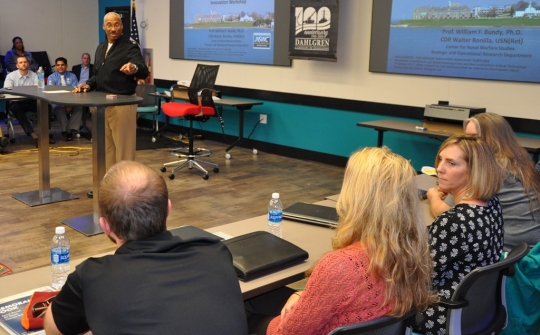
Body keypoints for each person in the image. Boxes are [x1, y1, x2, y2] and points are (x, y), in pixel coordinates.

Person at [246, 147, 437, 335]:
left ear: (358, 195)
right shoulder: (413, 251)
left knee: (237, 310)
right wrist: (300, 294)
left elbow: (288, 333)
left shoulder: (341, 266)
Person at [43, 160, 248, 335]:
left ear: (105, 226)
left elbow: (52, 329)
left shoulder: (90, 276)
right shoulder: (216, 252)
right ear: (168, 208)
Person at [422, 135, 504, 334]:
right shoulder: (491, 204)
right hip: (476, 310)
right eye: (440, 159)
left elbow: (417, 277)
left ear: (474, 172)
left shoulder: (453, 222)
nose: (439, 168)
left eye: (451, 163)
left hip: (442, 313)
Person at [75, 12, 148, 198]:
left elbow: (142, 68)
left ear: (122, 26)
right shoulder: (100, 48)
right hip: (101, 105)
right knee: (106, 150)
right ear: (103, 27)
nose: (113, 28)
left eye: (116, 25)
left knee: (123, 151)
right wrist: (88, 84)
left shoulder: (129, 47)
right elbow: (98, 75)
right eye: (109, 25)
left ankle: (126, 192)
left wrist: (133, 68)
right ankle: (109, 189)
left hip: (121, 105)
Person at [462, 113, 540, 252]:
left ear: (494, 138)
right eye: (465, 137)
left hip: (509, 253)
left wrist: (433, 195)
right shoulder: (520, 161)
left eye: (474, 138)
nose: (467, 144)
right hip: (533, 249)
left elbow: (449, 211)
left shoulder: (489, 167)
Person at [4, 55, 55, 147]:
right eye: (21, 62)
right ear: (17, 65)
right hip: (17, 102)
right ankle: (34, 136)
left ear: (28, 64)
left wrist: (19, 89)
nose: (23, 64)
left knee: (45, 106)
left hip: (31, 101)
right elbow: (8, 90)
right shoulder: (11, 76)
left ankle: (45, 136)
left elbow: (38, 90)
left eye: (25, 62)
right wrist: (27, 89)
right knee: (16, 109)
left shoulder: (34, 75)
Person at [47, 57, 82, 141]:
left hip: (71, 101)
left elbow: (75, 91)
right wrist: (63, 105)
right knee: (58, 108)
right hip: (57, 101)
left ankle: (69, 130)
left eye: (62, 65)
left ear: (66, 66)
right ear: (55, 66)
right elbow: (52, 93)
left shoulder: (72, 76)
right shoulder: (51, 77)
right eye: (58, 65)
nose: (60, 67)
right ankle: (66, 131)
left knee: (79, 108)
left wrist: (69, 104)